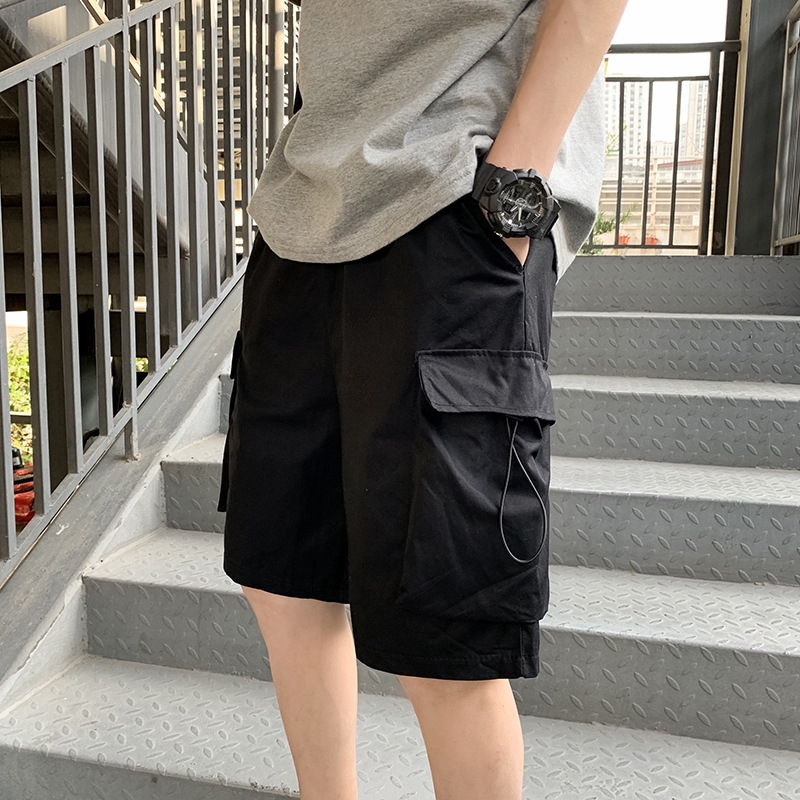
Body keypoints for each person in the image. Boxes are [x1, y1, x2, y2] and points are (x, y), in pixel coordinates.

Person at [217, 1, 629, 798]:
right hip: (304, 207)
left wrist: (512, 183)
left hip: (454, 186)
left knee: (448, 627)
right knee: (281, 577)